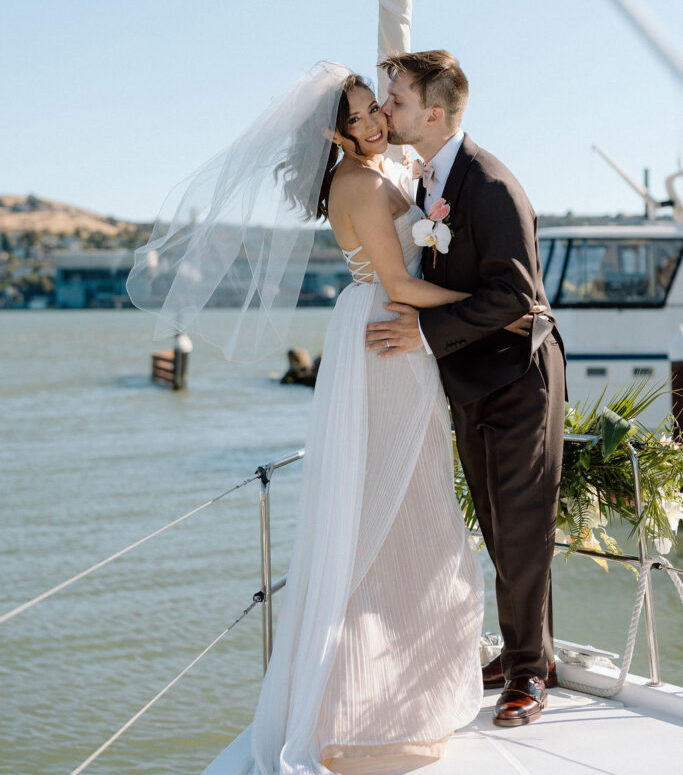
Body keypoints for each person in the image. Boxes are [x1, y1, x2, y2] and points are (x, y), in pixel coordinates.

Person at [127, 63, 539, 773]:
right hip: (388, 336)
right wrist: (498, 302)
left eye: (380, 106)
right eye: (360, 115)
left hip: (396, 335)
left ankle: (397, 684)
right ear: (334, 131)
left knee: (410, 505)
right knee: (394, 511)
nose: (378, 119)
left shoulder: (388, 169)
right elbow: (403, 282)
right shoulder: (355, 182)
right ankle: (358, 702)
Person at [366, 50, 566, 729]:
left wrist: (421, 332)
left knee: (520, 524)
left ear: (436, 111)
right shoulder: (432, 180)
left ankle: (528, 676)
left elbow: (516, 295)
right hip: (472, 376)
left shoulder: (489, 185)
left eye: (395, 99)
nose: (386, 109)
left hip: (518, 375)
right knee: (492, 517)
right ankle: (523, 651)